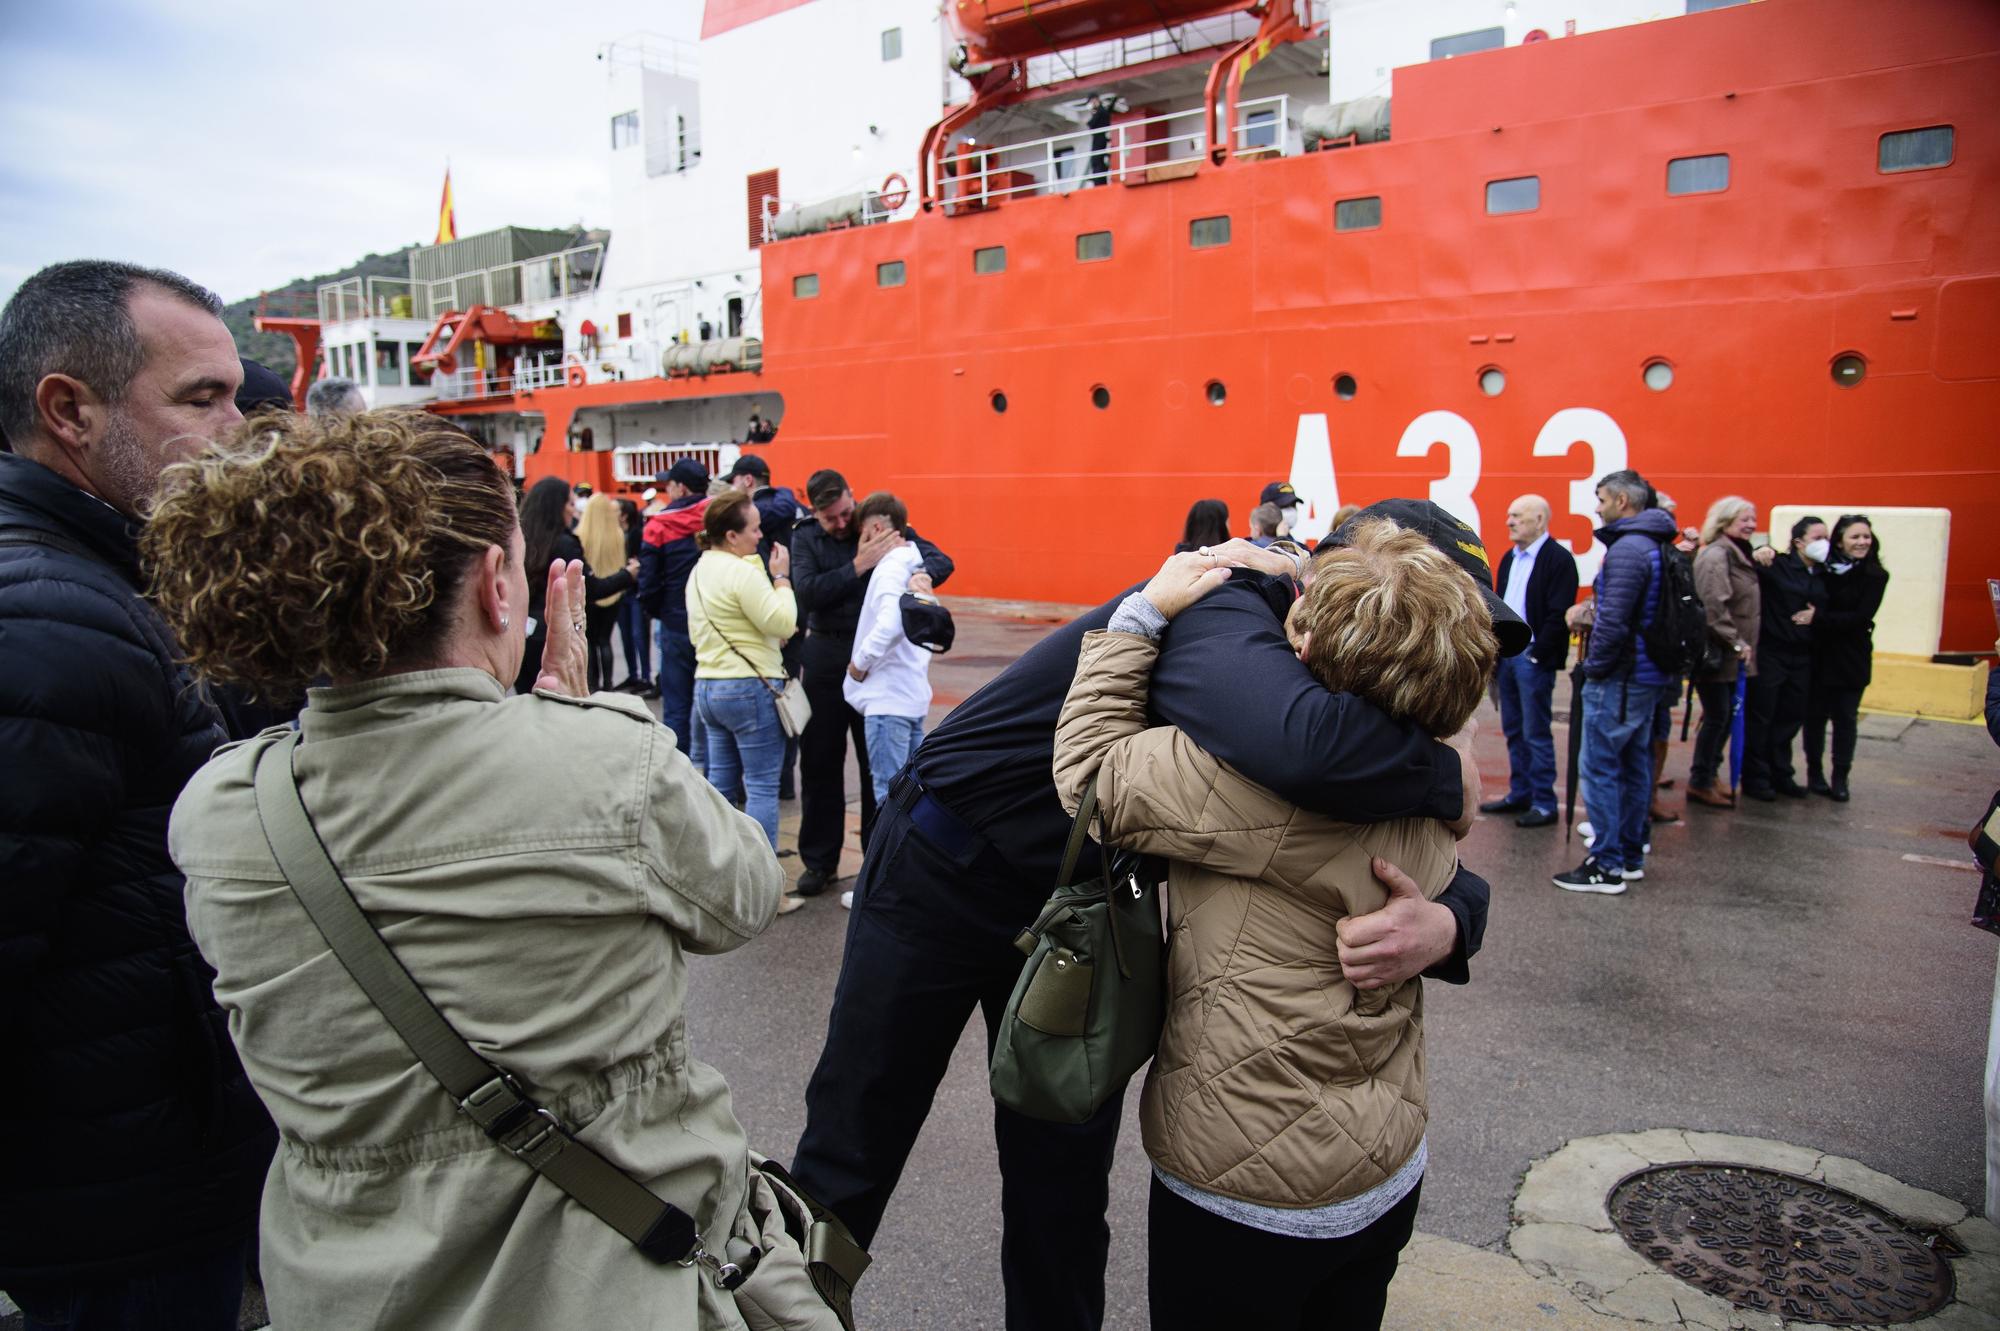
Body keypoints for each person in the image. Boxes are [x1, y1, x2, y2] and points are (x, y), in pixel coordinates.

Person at [147, 410, 836, 1330]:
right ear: (494, 583)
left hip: (347, 1289)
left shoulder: (223, 808)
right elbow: (746, 894)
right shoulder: (603, 764)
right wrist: (575, 726)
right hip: (610, 1282)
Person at [791, 499, 1525, 1331]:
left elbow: (1379, 838)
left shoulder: (1343, 688)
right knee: (851, 1153)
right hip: (943, 865)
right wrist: (1447, 776)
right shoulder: (1225, 602)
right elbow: (1308, 750)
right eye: (1435, 613)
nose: (1445, 648)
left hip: (1089, 899)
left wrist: (1452, 918)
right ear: (1343, 582)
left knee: (1059, 1190)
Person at [1054, 522, 1500, 1331]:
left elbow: (1087, 774)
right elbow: (1462, 883)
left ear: (1312, 653)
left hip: (1244, 1185)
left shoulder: (1236, 782)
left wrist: (1138, 620)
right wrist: (1452, 921)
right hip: (1387, 1164)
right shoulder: (1440, 782)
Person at [0, 260, 275, 1328]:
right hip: (115, 1203)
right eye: (201, 398)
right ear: (69, 410)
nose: (238, 427)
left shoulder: (95, 583)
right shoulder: (55, 620)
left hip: (129, 1169)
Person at [789, 468, 953, 897]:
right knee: (820, 761)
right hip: (826, 656)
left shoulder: (875, 522)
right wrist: (859, 564)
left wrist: (922, 575)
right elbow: (807, 593)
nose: (841, 524)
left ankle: (873, 863)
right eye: (831, 519)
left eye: (845, 514)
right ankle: (819, 861)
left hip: (871, 663)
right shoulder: (806, 537)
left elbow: (938, 558)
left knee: (875, 766)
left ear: (852, 499)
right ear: (814, 512)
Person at [1554, 468, 1679, 894]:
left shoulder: (1627, 550)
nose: (1597, 507)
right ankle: (1627, 855)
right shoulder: (1657, 544)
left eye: (1602, 498)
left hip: (1621, 678)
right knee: (1633, 764)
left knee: (1600, 767)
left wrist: (1594, 669)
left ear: (1623, 502)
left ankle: (1604, 864)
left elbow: (1614, 622)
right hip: (1643, 677)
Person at [688, 492, 799, 878]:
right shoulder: (742, 573)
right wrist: (782, 579)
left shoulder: (701, 568)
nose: (760, 535)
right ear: (732, 536)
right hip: (750, 687)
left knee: (719, 785)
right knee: (762, 786)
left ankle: (718, 875)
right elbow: (783, 623)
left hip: (708, 686)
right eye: (753, 529)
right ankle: (763, 885)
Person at [1480, 493, 1579, 828]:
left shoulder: (1558, 560)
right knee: (1513, 728)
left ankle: (1544, 802)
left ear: (1539, 520)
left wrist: (1537, 654)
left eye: (1517, 516)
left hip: (1533, 657)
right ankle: (1520, 792)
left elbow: (1557, 613)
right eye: (1509, 514)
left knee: (1535, 730)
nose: (1509, 521)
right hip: (1509, 655)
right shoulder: (1510, 558)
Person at [843, 492, 937, 824]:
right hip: (910, 697)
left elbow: (890, 623)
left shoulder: (889, 569)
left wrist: (860, 663)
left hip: (886, 702)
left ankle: (887, 875)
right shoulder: (915, 563)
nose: (861, 540)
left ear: (878, 527)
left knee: (889, 802)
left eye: (863, 532)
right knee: (912, 797)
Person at [727, 453, 807, 797]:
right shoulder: (786, 505)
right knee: (786, 697)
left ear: (746, 480)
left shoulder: (759, 514)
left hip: (771, 613)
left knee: (768, 700)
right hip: (788, 610)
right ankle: (784, 780)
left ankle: (757, 782)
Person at [514, 477, 637, 695]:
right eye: (570, 504)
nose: (574, 510)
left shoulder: (520, 540)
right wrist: (627, 575)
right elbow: (592, 588)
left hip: (524, 632)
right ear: (556, 507)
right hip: (555, 634)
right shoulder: (564, 544)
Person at [1741, 516, 1829, 801]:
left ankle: (1782, 774)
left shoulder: (1823, 573)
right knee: (1762, 717)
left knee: (1790, 717)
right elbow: (1749, 568)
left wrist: (1819, 615)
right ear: (1798, 542)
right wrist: (1760, 549)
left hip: (1803, 656)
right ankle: (1756, 778)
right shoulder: (1776, 565)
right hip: (1772, 652)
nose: (1823, 544)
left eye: (1826, 538)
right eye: (1817, 538)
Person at [1805, 514, 1888, 801]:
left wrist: (1819, 618)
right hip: (1818, 655)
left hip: (1851, 657)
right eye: (1855, 536)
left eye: (1866, 536)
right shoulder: (1821, 569)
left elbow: (1860, 617)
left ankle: (1840, 777)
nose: (1862, 542)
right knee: (1814, 718)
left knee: (1845, 719)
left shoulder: (1876, 575)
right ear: (1839, 540)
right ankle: (1814, 774)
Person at [1687, 496, 1761, 807]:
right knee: (1718, 716)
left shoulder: (1739, 554)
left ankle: (1710, 774)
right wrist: (1736, 642)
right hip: (1719, 654)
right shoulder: (1717, 556)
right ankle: (1701, 779)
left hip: (1734, 654)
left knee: (1724, 716)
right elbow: (1713, 606)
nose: (1751, 525)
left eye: (1753, 519)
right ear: (1724, 521)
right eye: (1744, 519)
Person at [638, 460, 713, 750]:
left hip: (676, 624)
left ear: (680, 488)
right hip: (714, 623)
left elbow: (648, 583)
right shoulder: (718, 517)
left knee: (677, 706)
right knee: (710, 703)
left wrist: (661, 613)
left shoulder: (657, 526)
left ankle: (681, 775)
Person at [614, 497, 657, 695]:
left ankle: (646, 676)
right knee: (626, 635)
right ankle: (633, 674)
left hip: (635, 592)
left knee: (639, 635)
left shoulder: (637, 534)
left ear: (624, 515)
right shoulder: (615, 535)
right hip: (621, 591)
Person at [1085, 94, 1113, 186]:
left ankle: (1099, 180)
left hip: (1100, 138)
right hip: (1101, 138)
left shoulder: (1101, 111)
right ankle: (1099, 179)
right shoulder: (1101, 111)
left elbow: (1091, 123)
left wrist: (1093, 112)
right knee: (1097, 160)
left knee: (1097, 159)